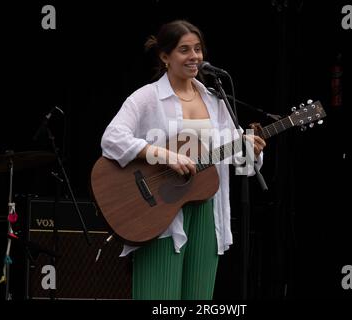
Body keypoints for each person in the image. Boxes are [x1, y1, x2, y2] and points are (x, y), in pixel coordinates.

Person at [101, 19, 266, 300]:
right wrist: (163, 155)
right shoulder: (146, 98)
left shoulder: (216, 100)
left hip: (209, 209)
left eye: (198, 49)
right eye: (184, 50)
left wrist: (253, 150)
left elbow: (240, 163)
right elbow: (112, 139)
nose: (194, 57)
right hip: (160, 207)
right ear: (165, 57)